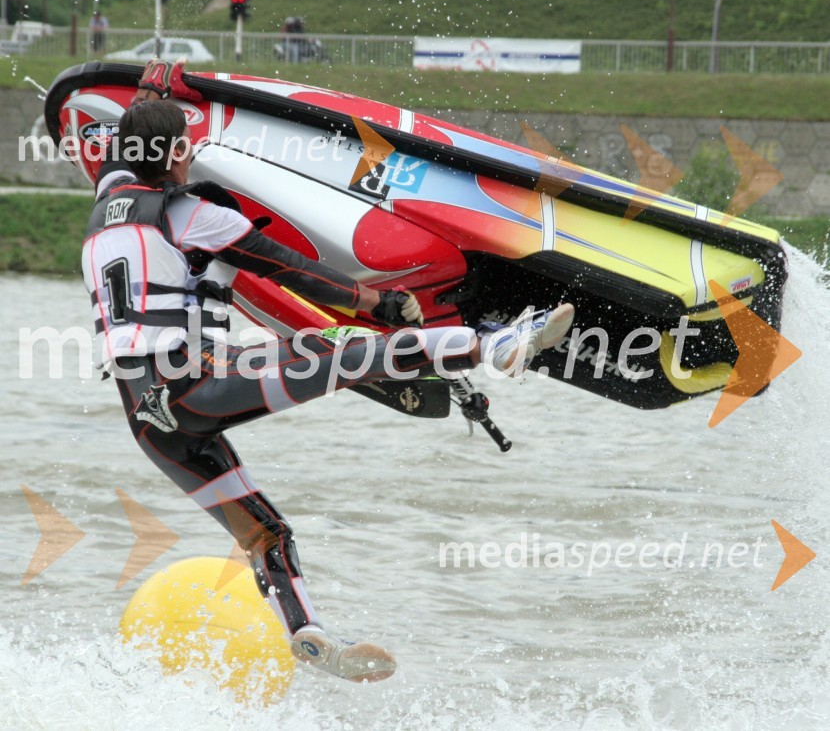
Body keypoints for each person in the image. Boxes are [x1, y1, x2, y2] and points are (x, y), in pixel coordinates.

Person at [83, 60, 575, 683]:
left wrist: (149, 101)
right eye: (187, 148)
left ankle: (307, 631)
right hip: (193, 384)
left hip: (148, 418)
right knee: (343, 357)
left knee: (266, 532)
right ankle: (493, 345)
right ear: (175, 155)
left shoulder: (104, 206)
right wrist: (378, 302)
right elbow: (291, 268)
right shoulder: (190, 215)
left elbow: (121, 157)